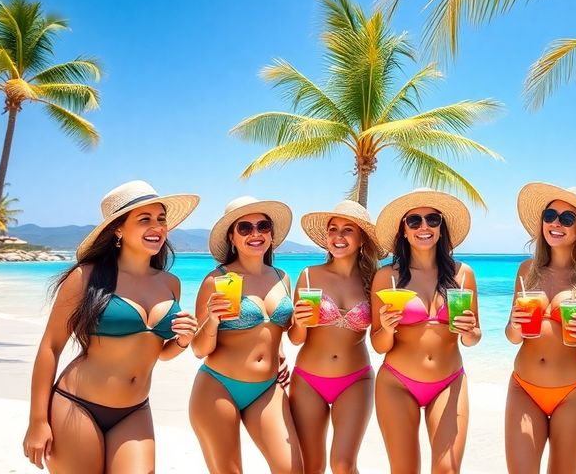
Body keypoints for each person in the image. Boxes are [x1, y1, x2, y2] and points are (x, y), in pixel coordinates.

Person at [22, 180, 200, 472]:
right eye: (144, 220)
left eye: (161, 219)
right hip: (77, 405)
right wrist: (37, 421)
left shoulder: (170, 283)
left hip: (135, 410)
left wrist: (183, 339)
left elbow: (159, 353)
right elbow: (50, 347)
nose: (156, 227)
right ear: (118, 229)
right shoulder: (85, 277)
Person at [504, 183, 576, 474]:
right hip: (523, 388)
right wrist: (516, 325)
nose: (556, 223)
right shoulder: (526, 271)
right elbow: (511, 336)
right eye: (550, 215)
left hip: (575, 393)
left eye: (568, 219)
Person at [370, 188, 481, 474]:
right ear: (403, 230)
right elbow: (379, 345)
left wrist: (469, 331)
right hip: (397, 383)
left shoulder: (463, 274)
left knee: (448, 470)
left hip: (449, 381)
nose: (424, 227)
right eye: (414, 221)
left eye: (433, 220)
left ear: (441, 229)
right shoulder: (387, 277)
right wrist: (387, 327)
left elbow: (473, 337)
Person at [189, 196, 303, 473]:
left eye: (263, 226)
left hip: (267, 388)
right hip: (218, 387)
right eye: (245, 228)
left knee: (292, 470)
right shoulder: (215, 280)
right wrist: (213, 320)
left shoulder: (282, 277)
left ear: (271, 235)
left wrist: (294, 332)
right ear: (232, 236)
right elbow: (198, 348)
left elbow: (280, 331)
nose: (255, 234)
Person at [288, 200, 384, 474]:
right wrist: (300, 322)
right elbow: (296, 338)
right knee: (312, 467)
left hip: (356, 379)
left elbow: (379, 338)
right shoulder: (309, 276)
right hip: (308, 379)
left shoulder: (374, 280)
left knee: (343, 464)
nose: (338, 237)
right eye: (333, 229)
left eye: (347, 230)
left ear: (361, 238)